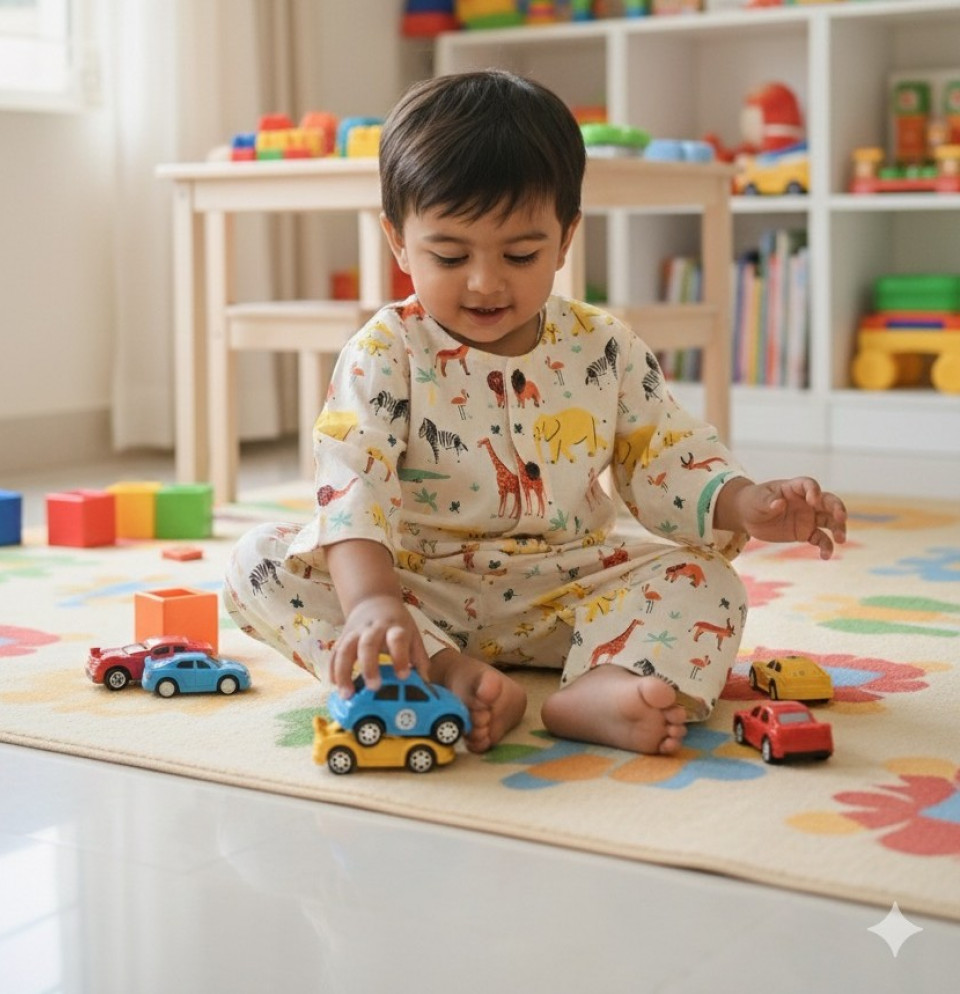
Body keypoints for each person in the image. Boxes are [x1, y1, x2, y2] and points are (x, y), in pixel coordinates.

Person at [224, 70, 847, 757]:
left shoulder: (603, 346)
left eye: (520, 254)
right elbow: (353, 479)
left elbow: (666, 451)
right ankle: (442, 674)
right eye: (450, 255)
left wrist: (747, 501)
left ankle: (606, 686)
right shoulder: (386, 350)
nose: (486, 281)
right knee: (259, 563)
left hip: (568, 586)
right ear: (399, 240)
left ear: (565, 237)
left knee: (708, 581)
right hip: (414, 585)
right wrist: (374, 600)